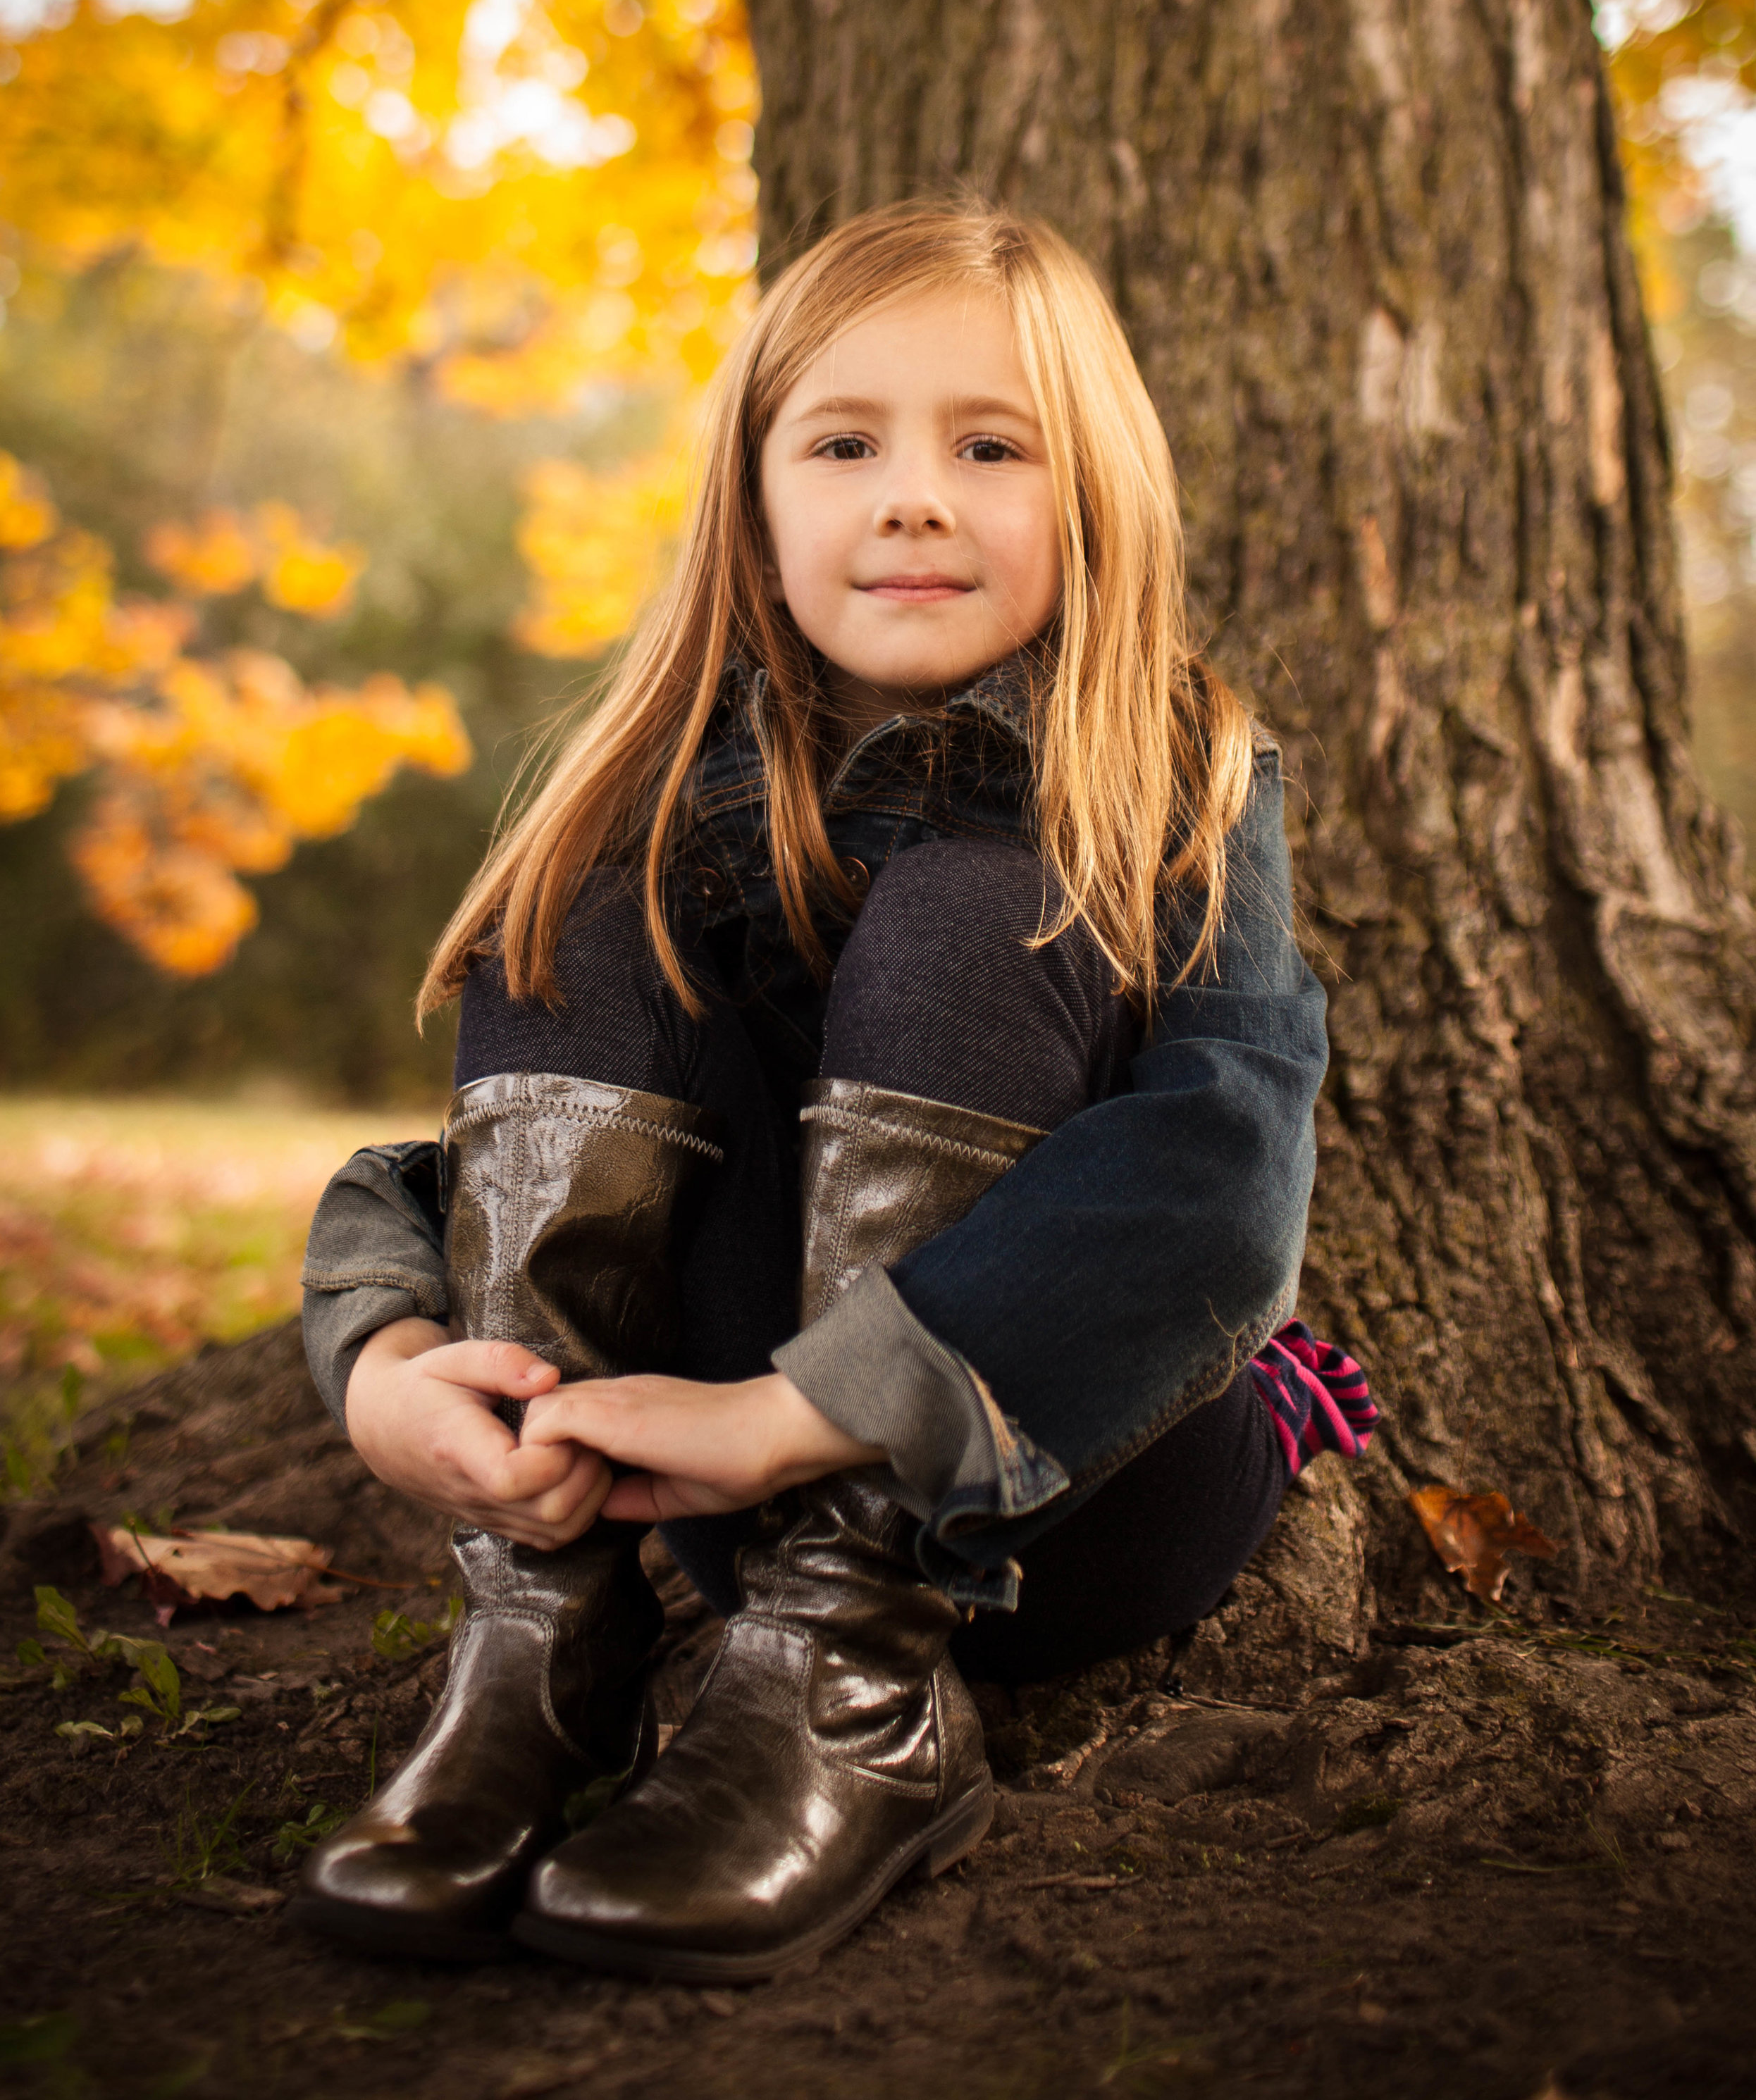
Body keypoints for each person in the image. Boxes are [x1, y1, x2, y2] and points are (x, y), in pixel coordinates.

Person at [290, 198, 1375, 1979]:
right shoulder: (666, 785)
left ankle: (856, 1703)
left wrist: (784, 1424)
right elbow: (460, 1171)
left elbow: (1223, 1171)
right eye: (846, 441)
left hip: (1064, 1487)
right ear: (759, 500)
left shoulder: (1173, 776)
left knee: (980, 897)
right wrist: (389, 1360)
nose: (914, 495)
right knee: (580, 898)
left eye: (989, 445)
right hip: (691, 1507)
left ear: (1089, 494)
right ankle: (535, 1649)